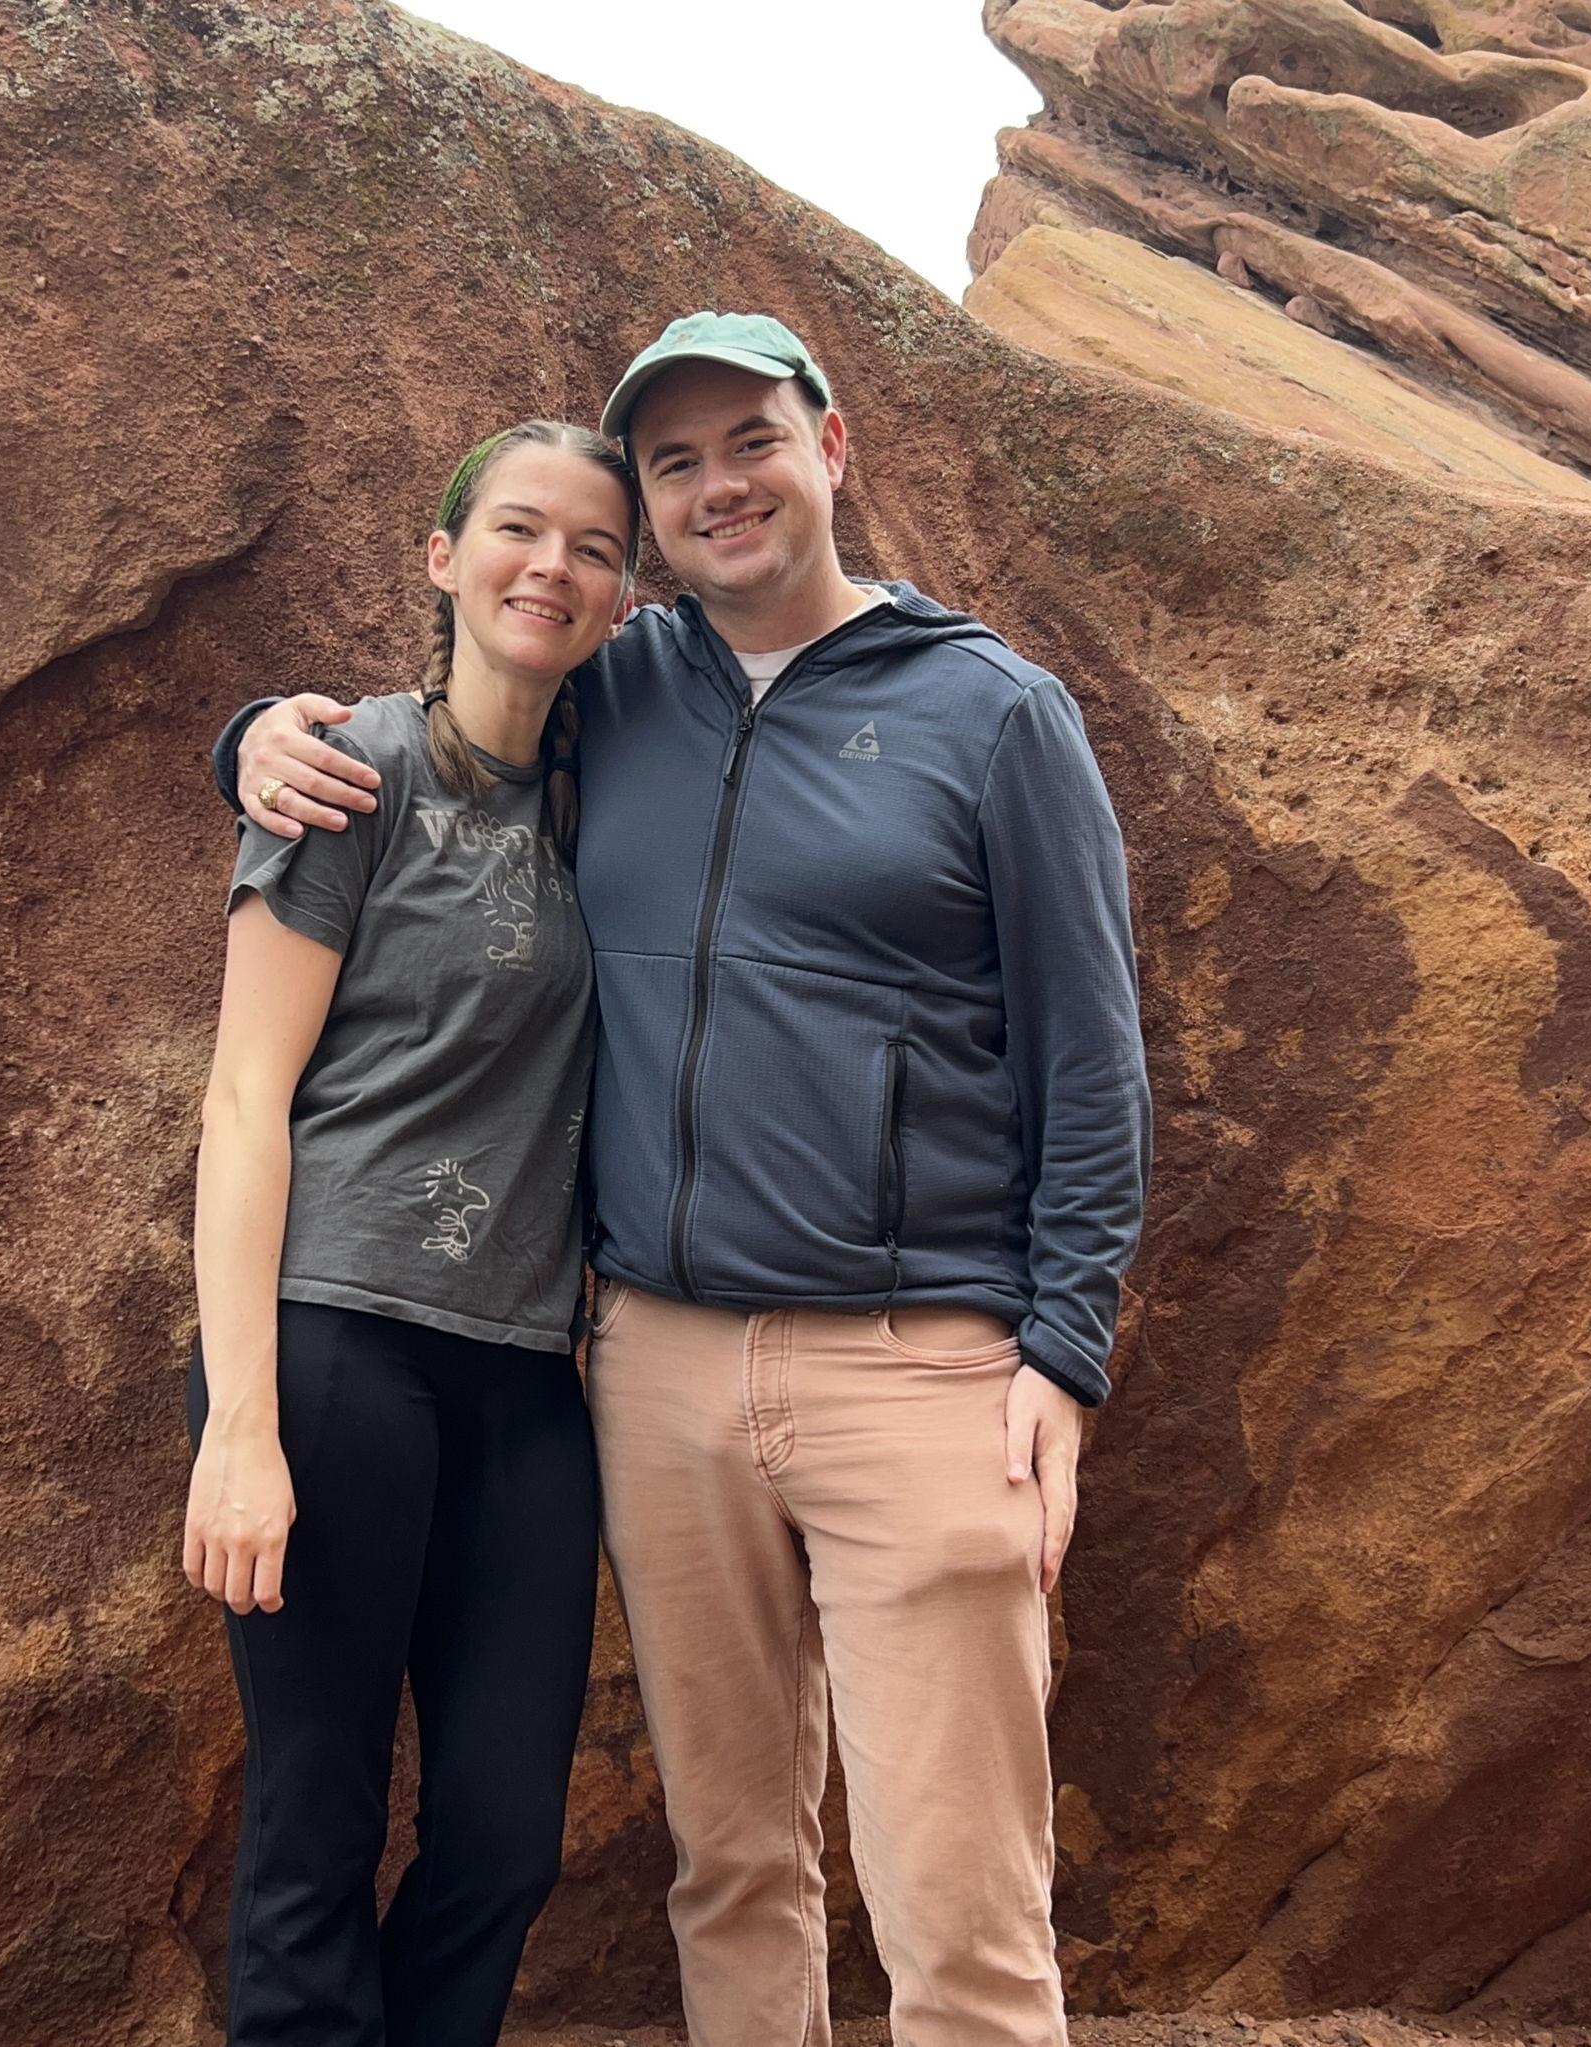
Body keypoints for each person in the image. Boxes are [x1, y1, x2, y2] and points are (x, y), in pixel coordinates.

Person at [225, 313, 1152, 2047]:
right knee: (731, 1870)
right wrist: (253, 740)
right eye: (675, 464)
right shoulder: (620, 690)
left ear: (834, 448)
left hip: (922, 1365)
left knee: (960, 1912)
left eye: (753, 441)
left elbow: (1093, 1054)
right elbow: (434, 724)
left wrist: (1063, 1349)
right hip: (649, 1366)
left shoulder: (997, 713)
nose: (717, 486)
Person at [185, 417, 641, 2047]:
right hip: (331, 1348)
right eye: (521, 530)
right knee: (313, 1829)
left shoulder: (631, 789)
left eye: (597, 547)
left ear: (621, 598)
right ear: (444, 559)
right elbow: (247, 1099)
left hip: (528, 1385)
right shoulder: (344, 772)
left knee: (507, 1842)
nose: (555, 566)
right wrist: (241, 1426)